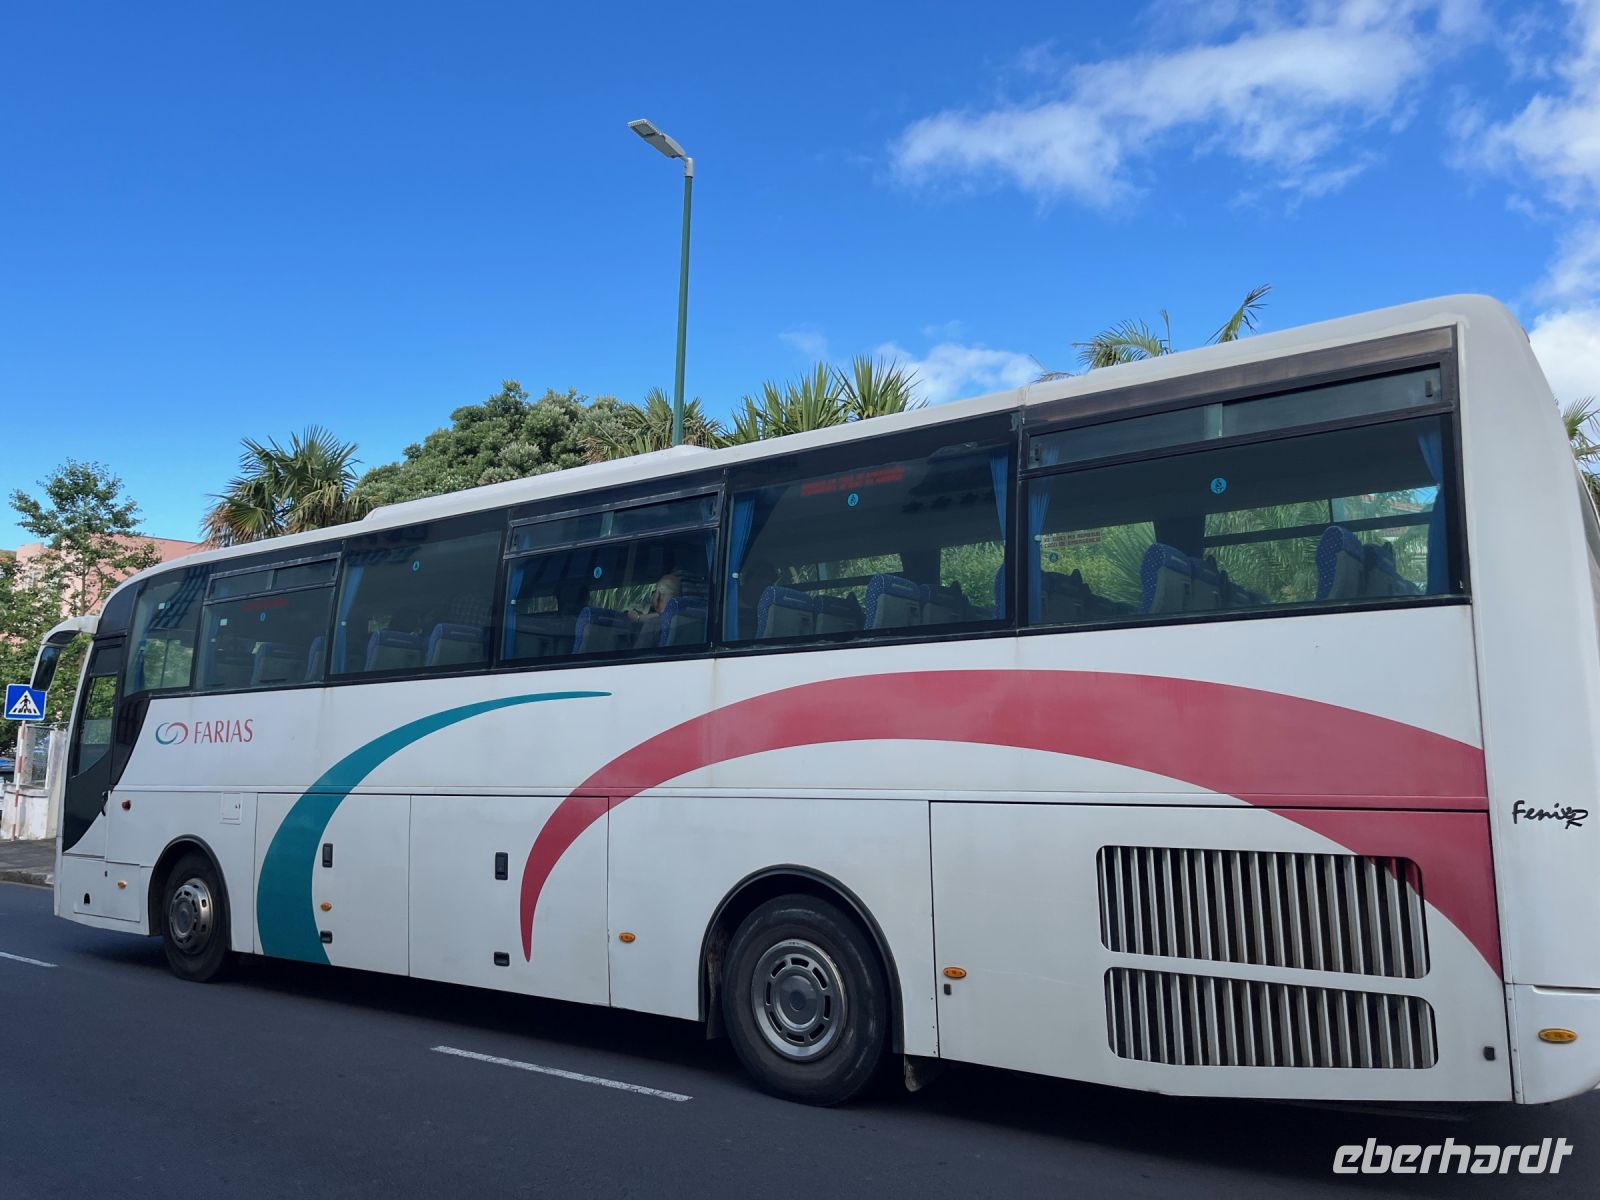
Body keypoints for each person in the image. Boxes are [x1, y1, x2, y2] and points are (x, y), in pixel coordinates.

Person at [736, 560, 781, 639]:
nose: (765, 593)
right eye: (763, 585)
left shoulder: (768, 611)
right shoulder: (728, 610)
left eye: (770, 586)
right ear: (749, 580)